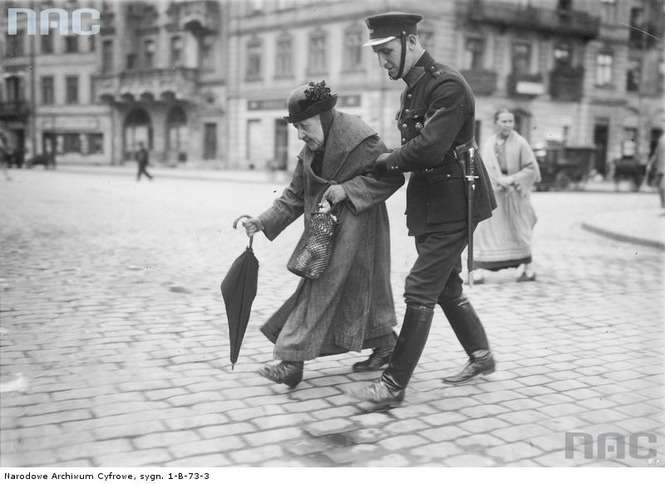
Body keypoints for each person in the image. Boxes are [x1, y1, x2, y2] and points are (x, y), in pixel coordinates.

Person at [353, 12, 497, 405]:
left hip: (456, 202)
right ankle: (481, 356)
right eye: (378, 53)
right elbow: (416, 149)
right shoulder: (412, 89)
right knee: (445, 285)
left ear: (412, 42)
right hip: (431, 205)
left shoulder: (447, 86)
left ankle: (393, 385)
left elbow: (429, 149)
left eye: (387, 51)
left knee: (419, 287)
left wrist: (384, 162)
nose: (382, 61)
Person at [242, 81, 404, 388]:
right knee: (359, 292)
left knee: (320, 289)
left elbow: (392, 178)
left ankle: (291, 361)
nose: (300, 135)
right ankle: (386, 344)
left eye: (303, 126)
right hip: (327, 230)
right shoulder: (311, 150)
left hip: (361, 229)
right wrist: (263, 222)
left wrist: (348, 189)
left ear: (323, 117)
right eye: (296, 128)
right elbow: (294, 195)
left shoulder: (361, 139)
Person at [471, 108, 541, 284]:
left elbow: (532, 169)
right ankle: (478, 271)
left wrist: (511, 179)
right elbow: (485, 167)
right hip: (494, 195)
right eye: (504, 121)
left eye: (510, 121)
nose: (507, 125)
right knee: (483, 232)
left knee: (520, 232)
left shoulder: (521, 143)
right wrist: (495, 181)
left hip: (515, 195)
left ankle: (528, 270)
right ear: (496, 123)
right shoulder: (489, 144)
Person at [647, 131, 665, 211]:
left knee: (662, 187)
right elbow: (656, 153)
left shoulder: (661, 138)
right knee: (660, 187)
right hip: (661, 167)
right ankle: (663, 205)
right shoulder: (661, 139)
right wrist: (650, 163)